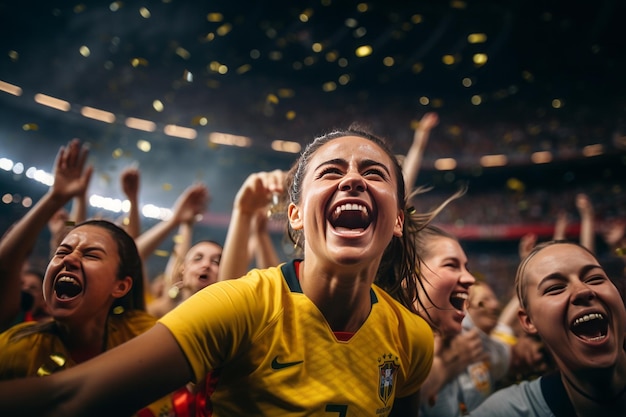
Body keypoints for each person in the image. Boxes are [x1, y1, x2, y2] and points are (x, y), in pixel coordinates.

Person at [0, 125, 440, 416]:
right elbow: (71, 395)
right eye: (330, 171)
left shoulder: (411, 338)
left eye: (373, 172)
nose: (352, 180)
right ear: (295, 215)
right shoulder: (240, 305)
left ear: (398, 219)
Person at [471, 240, 626, 416]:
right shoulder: (506, 411)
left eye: (595, 278)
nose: (583, 290)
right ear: (528, 321)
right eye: (555, 288)